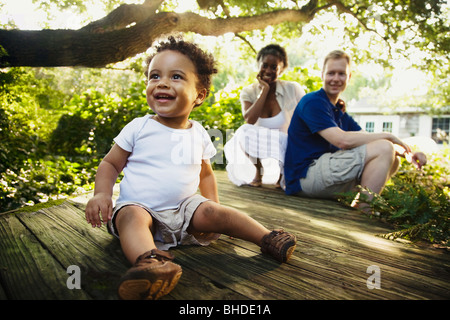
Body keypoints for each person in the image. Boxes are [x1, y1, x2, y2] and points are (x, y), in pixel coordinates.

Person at [84, 37, 297, 300]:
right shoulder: (139, 127)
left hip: (185, 211)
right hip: (140, 206)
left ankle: (267, 238)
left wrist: (214, 208)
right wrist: (102, 194)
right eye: (154, 76)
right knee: (130, 217)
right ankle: (150, 264)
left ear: (199, 94)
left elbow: (205, 173)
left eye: (176, 77)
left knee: (217, 211)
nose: (161, 83)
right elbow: (110, 163)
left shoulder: (199, 134)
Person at [283, 50, 427, 211]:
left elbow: (366, 139)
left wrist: (408, 153)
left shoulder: (339, 111)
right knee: (385, 147)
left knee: (392, 157)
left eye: (341, 74)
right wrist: (389, 136)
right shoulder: (313, 102)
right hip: (304, 178)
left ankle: (360, 207)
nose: (336, 79)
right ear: (322, 75)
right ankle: (364, 212)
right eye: (331, 73)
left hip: (323, 176)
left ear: (349, 77)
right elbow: (342, 140)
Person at [224, 44, 305, 187]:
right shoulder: (248, 92)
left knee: (286, 138)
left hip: (287, 145)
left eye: (274, 67)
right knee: (243, 131)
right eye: (265, 65)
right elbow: (249, 119)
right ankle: (258, 172)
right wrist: (264, 91)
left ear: (281, 70)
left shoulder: (293, 89)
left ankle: (282, 176)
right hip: (261, 146)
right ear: (258, 65)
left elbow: (308, 114)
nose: (268, 70)